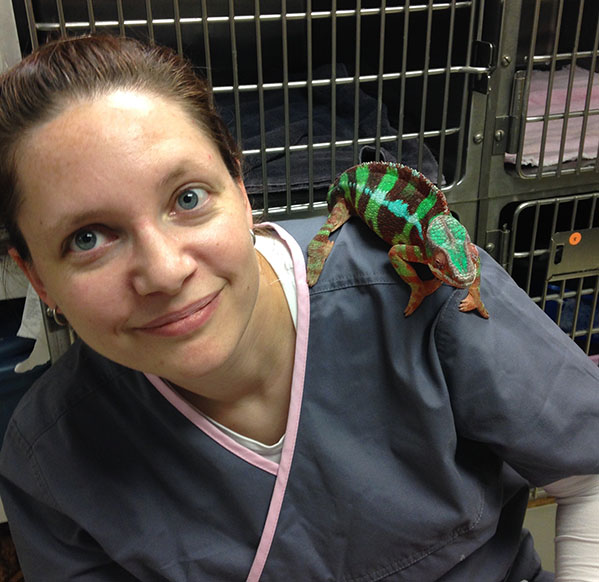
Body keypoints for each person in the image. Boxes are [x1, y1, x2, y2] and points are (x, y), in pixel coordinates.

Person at [0, 35, 597, 582]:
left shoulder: (420, 277)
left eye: (187, 198)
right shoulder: (52, 457)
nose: (164, 271)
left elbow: (589, 474)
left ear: (239, 183)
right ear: (36, 278)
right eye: (88, 238)